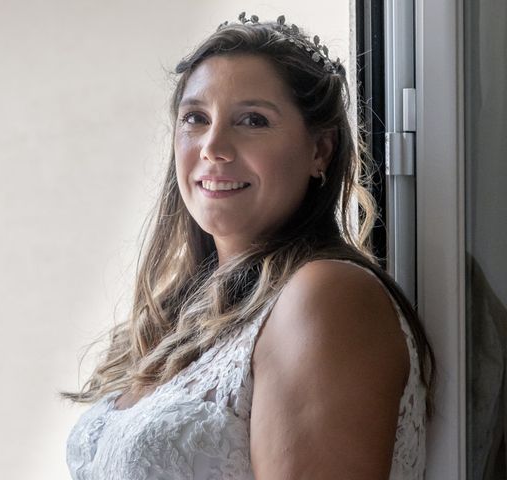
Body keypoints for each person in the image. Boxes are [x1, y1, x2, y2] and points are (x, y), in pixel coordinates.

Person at [64, 13, 435, 480]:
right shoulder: (180, 317)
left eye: (252, 120)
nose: (213, 146)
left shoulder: (327, 297)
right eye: (195, 118)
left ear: (319, 151)